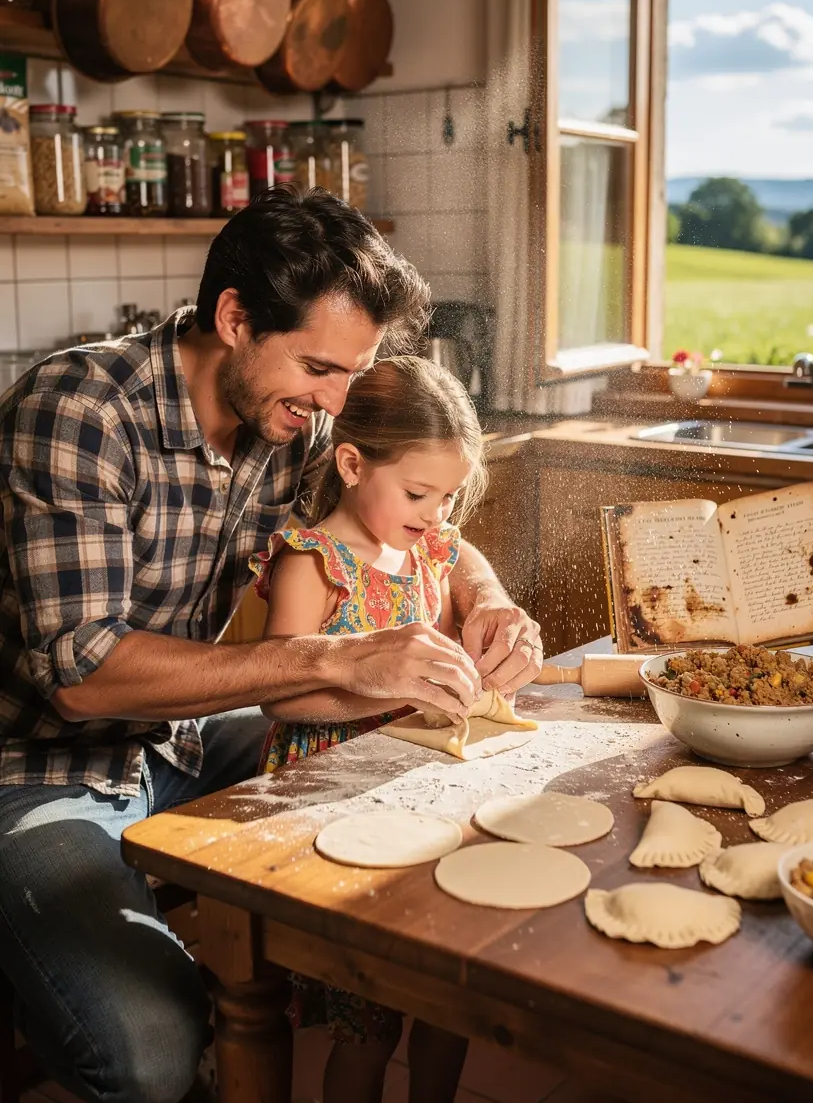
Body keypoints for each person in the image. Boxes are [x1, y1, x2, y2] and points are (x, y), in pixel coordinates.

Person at [0, 185, 543, 1103]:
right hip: (37, 766)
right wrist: (335, 657)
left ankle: (364, 991)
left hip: (175, 736)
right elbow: (84, 677)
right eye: (320, 368)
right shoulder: (80, 411)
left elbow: (425, 528)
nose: (337, 401)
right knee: (150, 1054)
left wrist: (488, 599)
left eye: (352, 373)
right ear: (234, 318)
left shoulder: (291, 422)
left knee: (403, 757)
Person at [252, 355, 490, 1103]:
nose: (436, 514)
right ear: (351, 464)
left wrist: (491, 623)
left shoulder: (427, 547)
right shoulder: (314, 565)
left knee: (447, 1006)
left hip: (420, 800)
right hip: (332, 802)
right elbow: (282, 699)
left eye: (448, 496)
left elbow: (464, 561)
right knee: (370, 1018)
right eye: (419, 493)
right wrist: (384, 700)